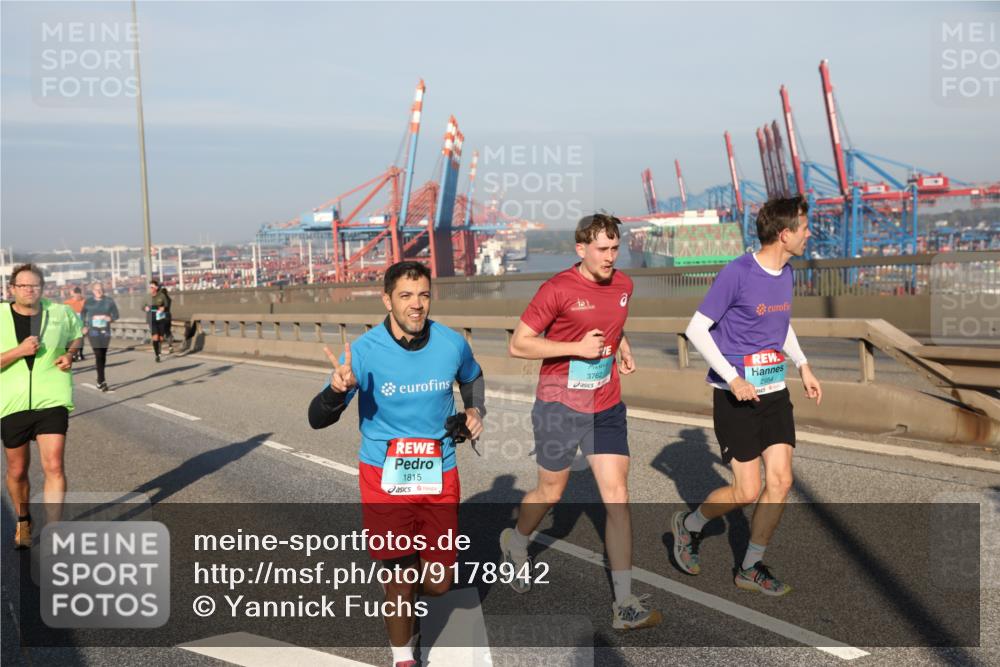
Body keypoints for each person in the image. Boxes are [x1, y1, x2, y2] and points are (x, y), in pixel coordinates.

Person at [307, 260, 486, 667]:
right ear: (387, 299)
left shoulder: (451, 343)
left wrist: (475, 412)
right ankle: (403, 654)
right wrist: (336, 391)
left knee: (439, 584)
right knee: (400, 581)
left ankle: (400, 591)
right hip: (383, 476)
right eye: (406, 296)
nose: (416, 305)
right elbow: (316, 419)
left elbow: (473, 377)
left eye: (423, 295)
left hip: (439, 472)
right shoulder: (364, 352)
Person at [499, 213, 661, 631]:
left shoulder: (625, 285)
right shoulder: (556, 289)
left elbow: (610, 323)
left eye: (615, 248)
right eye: (602, 250)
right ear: (581, 250)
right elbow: (519, 344)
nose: (611, 257)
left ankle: (624, 603)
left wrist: (621, 344)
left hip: (605, 405)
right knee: (551, 491)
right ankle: (516, 542)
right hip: (558, 405)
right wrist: (575, 347)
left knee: (617, 495)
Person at [672, 195, 822, 596]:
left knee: (781, 480)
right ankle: (689, 527)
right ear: (784, 233)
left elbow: (781, 324)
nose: (810, 233)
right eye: (804, 227)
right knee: (746, 491)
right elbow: (696, 329)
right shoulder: (737, 273)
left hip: (774, 392)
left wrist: (803, 364)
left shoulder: (787, 273)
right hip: (735, 397)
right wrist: (732, 377)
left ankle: (750, 567)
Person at [0, 264, 83, 548]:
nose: (29, 290)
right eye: (23, 285)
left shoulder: (61, 313)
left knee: (54, 465)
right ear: (12, 288)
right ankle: (23, 519)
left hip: (52, 398)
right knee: (17, 471)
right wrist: (19, 351)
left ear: (42, 288)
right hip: (12, 403)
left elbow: (77, 334)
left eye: (34, 285)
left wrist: (70, 355)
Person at [80, 281, 120, 391]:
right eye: (96, 289)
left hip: (105, 331)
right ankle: (101, 380)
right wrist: (83, 326)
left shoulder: (109, 301)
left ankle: (100, 378)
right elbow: (83, 314)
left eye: (101, 289)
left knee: (103, 355)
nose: (99, 291)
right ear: (93, 291)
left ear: (104, 290)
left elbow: (116, 315)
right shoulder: (89, 302)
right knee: (98, 354)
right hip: (93, 331)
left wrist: (110, 318)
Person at [143, 279, 172, 362]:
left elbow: (167, 305)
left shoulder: (162, 296)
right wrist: (145, 308)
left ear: (156, 287)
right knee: (155, 337)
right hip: (151, 318)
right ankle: (157, 355)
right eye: (150, 287)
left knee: (161, 338)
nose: (150, 288)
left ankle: (159, 350)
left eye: (152, 287)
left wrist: (163, 308)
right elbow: (142, 306)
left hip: (161, 318)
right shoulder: (147, 297)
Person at [63, 286, 86, 361]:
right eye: (74, 295)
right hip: (71, 324)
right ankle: (72, 354)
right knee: (72, 340)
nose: (78, 297)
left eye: (80, 295)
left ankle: (80, 354)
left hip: (81, 323)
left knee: (81, 339)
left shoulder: (84, 302)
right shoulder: (67, 303)